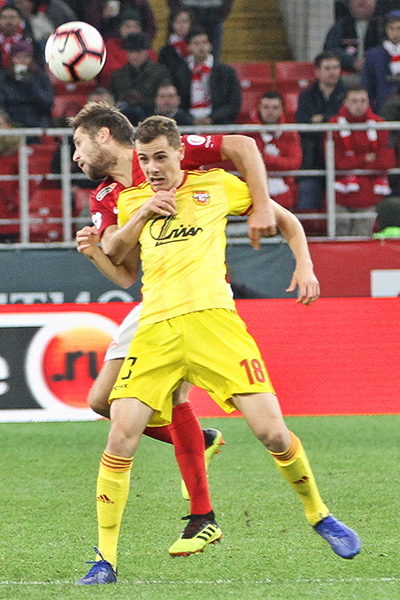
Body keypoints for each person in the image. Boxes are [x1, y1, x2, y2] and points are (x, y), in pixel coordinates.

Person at [75, 114, 361, 584]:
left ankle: (320, 515)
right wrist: (139, 216)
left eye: (161, 157)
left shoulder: (216, 185)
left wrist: (305, 265)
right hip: (156, 330)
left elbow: (288, 221)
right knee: (119, 435)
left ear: (180, 153)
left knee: (272, 433)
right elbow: (119, 256)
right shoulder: (129, 198)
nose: (153, 168)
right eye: (145, 159)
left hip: (214, 323)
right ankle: (105, 559)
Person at [330, 84, 395, 235]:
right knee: (340, 238)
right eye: (354, 101)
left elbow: (387, 162)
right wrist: (365, 158)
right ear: (345, 103)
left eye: (363, 101)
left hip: (370, 194)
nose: (359, 105)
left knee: (363, 238)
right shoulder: (333, 125)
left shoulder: (380, 124)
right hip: (340, 194)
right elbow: (337, 163)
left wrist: (354, 162)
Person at [296, 51, 346, 210]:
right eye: (328, 68)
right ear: (317, 71)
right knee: (307, 206)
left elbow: (347, 122)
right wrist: (332, 121)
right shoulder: (306, 96)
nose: (333, 72)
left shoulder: (349, 94)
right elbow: (303, 126)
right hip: (313, 158)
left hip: (343, 159)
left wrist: (323, 119)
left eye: (336, 67)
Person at [173, 27, 241, 125]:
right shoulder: (181, 73)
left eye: (204, 42)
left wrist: (212, 118)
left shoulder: (226, 71)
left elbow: (234, 104)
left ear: (210, 45)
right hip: (189, 123)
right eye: (196, 43)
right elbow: (178, 104)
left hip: (219, 122)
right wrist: (190, 120)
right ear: (188, 47)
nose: (201, 47)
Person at [249, 91, 302, 210]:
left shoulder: (289, 133)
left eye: (275, 108)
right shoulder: (248, 132)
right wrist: (278, 162)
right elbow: (245, 164)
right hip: (253, 195)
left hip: (284, 197)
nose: (270, 112)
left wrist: (263, 158)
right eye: (266, 107)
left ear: (282, 110)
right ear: (259, 108)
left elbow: (294, 163)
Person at [108, 32, 171, 113]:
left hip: (152, 113)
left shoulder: (160, 72)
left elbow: (165, 96)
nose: (134, 56)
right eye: (131, 52)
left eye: (138, 52)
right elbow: (113, 97)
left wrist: (142, 101)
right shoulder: (118, 75)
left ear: (146, 52)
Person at [0, 39, 54, 128]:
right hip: (11, 121)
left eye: (26, 57)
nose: (22, 60)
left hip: (35, 120)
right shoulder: (5, 78)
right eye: (18, 57)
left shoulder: (40, 76)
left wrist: (31, 83)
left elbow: (47, 103)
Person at [324, 0, 384, 75]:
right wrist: (353, 62)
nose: (362, 2)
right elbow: (330, 51)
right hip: (346, 75)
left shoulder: (384, 26)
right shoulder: (339, 27)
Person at [100, 8, 157, 87]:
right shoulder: (110, 45)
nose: (131, 30)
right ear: (120, 28)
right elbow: (108, 71)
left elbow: (154, 67)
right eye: (128, 26)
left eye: (135, 26)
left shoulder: (146, 46)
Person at [166, 0, 234, 60]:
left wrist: (225, 8)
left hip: (214, 11)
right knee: (182, 55)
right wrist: (176, 8)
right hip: (187, 7)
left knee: (212, 55)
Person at [362, 10, 400, 112]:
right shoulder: (374, 55)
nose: (395, 33)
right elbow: (367, 86)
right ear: (385, 29)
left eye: (399, 28)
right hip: (381, 110)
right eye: (391, 28)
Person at [12, 0, 76, 47]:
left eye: (20, 3)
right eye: (15, 4)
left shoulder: (55, 8)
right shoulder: (23, 22)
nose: (18, 7)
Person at [0, 4, 43, 68]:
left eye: (12, 18)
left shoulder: (30, 41)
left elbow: (39, 66)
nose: (8, 21)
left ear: (20, 20)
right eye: (4, 17)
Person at [158, 8, 193, 79]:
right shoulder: (165, 51)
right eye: (177, 22)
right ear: (172, 24)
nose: (181, 25)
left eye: (185, 21)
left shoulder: (196, 44)